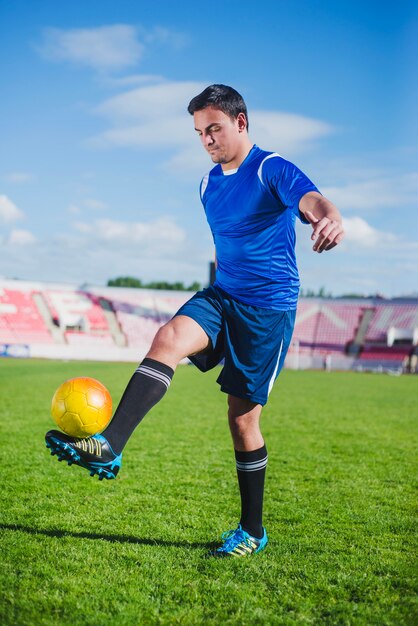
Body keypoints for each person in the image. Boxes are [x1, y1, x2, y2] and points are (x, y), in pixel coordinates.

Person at [45, 84, 344, 557]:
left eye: (214, 128)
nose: (206, 139)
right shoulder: (207, 185)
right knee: (168, 338)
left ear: (240, 123)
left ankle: (252, 531)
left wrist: (330, 217)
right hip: (223, 296)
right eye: (199, 132)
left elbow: (312, 200)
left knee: (242, 421)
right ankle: (110, 445)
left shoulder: (270, 167)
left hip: (267, 310)